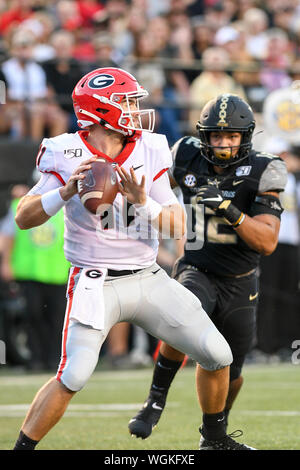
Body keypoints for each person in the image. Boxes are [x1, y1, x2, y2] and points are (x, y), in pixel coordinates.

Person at [12, 68, 253, 451]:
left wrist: (143, 205)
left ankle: (215, 440)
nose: (135, 109)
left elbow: (177, 226)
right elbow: (23, 217)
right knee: (73, 374)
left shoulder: (151, 146)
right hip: (94, 280)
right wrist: (66, 190)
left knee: (218, 353)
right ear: (101, 109)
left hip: (147, 276)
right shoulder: (63, 150)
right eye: (126, 101)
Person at [128, 93, 287, 445]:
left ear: (245, 137)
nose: (225, 143)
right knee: (183, 312)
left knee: (232, 369)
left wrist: (228, 209)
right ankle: (155, 400)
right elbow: (153, 193)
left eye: (232, 136)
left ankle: (214, 435)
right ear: (204, 136)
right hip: (197, 265)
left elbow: (267, 242)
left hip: (241, 279)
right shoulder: (184, 154)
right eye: (217, 136)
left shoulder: (266, 167)